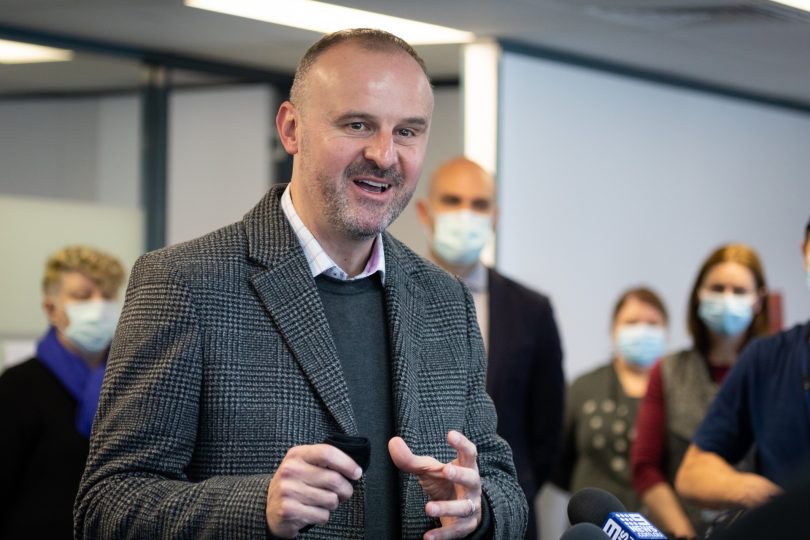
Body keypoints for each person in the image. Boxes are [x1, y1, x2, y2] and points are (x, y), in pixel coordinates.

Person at [73, 29, 527, 540]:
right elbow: (107, 505)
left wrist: (478, 511)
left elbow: (502, 483)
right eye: (358, 125)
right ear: (292, 129)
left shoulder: (445, 301)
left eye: (408, 132)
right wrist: (257, 506)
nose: (384, 155)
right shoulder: (184, 284)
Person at [415, 156, 564, 539]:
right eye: (452, 201)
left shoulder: (532, 309)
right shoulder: (389, 294)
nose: (466, 214)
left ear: (495, 217)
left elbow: (547, 429)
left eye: (479, 204)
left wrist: (510, 492)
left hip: (506, 518)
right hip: (413, 512)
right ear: (424, 211)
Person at [631, 243, 769, 538]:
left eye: (739, 291)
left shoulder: (774, 371)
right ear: (699, 294)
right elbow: (645, 467)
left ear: (759, 300)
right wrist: (685, 534)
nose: (727, 299)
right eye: (718, 288)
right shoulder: (669, 371)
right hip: (682, 528)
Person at [675, 220, 810, 514]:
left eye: (738, 289)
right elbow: (693, 473)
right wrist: (760, 495)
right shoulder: (767, 359)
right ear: (804, 252)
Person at [0, 245, 124, 538]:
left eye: (107, 296)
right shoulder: (18, 386)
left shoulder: (128, 383)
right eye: (83, 296)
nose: (98, 306)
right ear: (51, 308)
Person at [553, 287, 669, 512]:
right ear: (613, 329)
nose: (642, 331)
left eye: (652, 324)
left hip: (659, 524)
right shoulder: (584, 387)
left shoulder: (677, 392)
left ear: (666, 331)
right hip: (595, 523)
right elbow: (556, 458)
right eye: (631, 322)